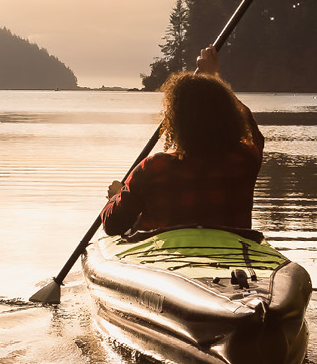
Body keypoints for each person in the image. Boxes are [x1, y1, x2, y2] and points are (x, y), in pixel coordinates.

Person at [100, 45, 263, 236]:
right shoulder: (244, 160)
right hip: (232, 253)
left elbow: (113, 225)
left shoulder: (154, 167)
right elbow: (251, 127)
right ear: (229, 117)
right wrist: (212, 77)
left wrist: (115, 198)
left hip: (167, 257)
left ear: (176, 121)